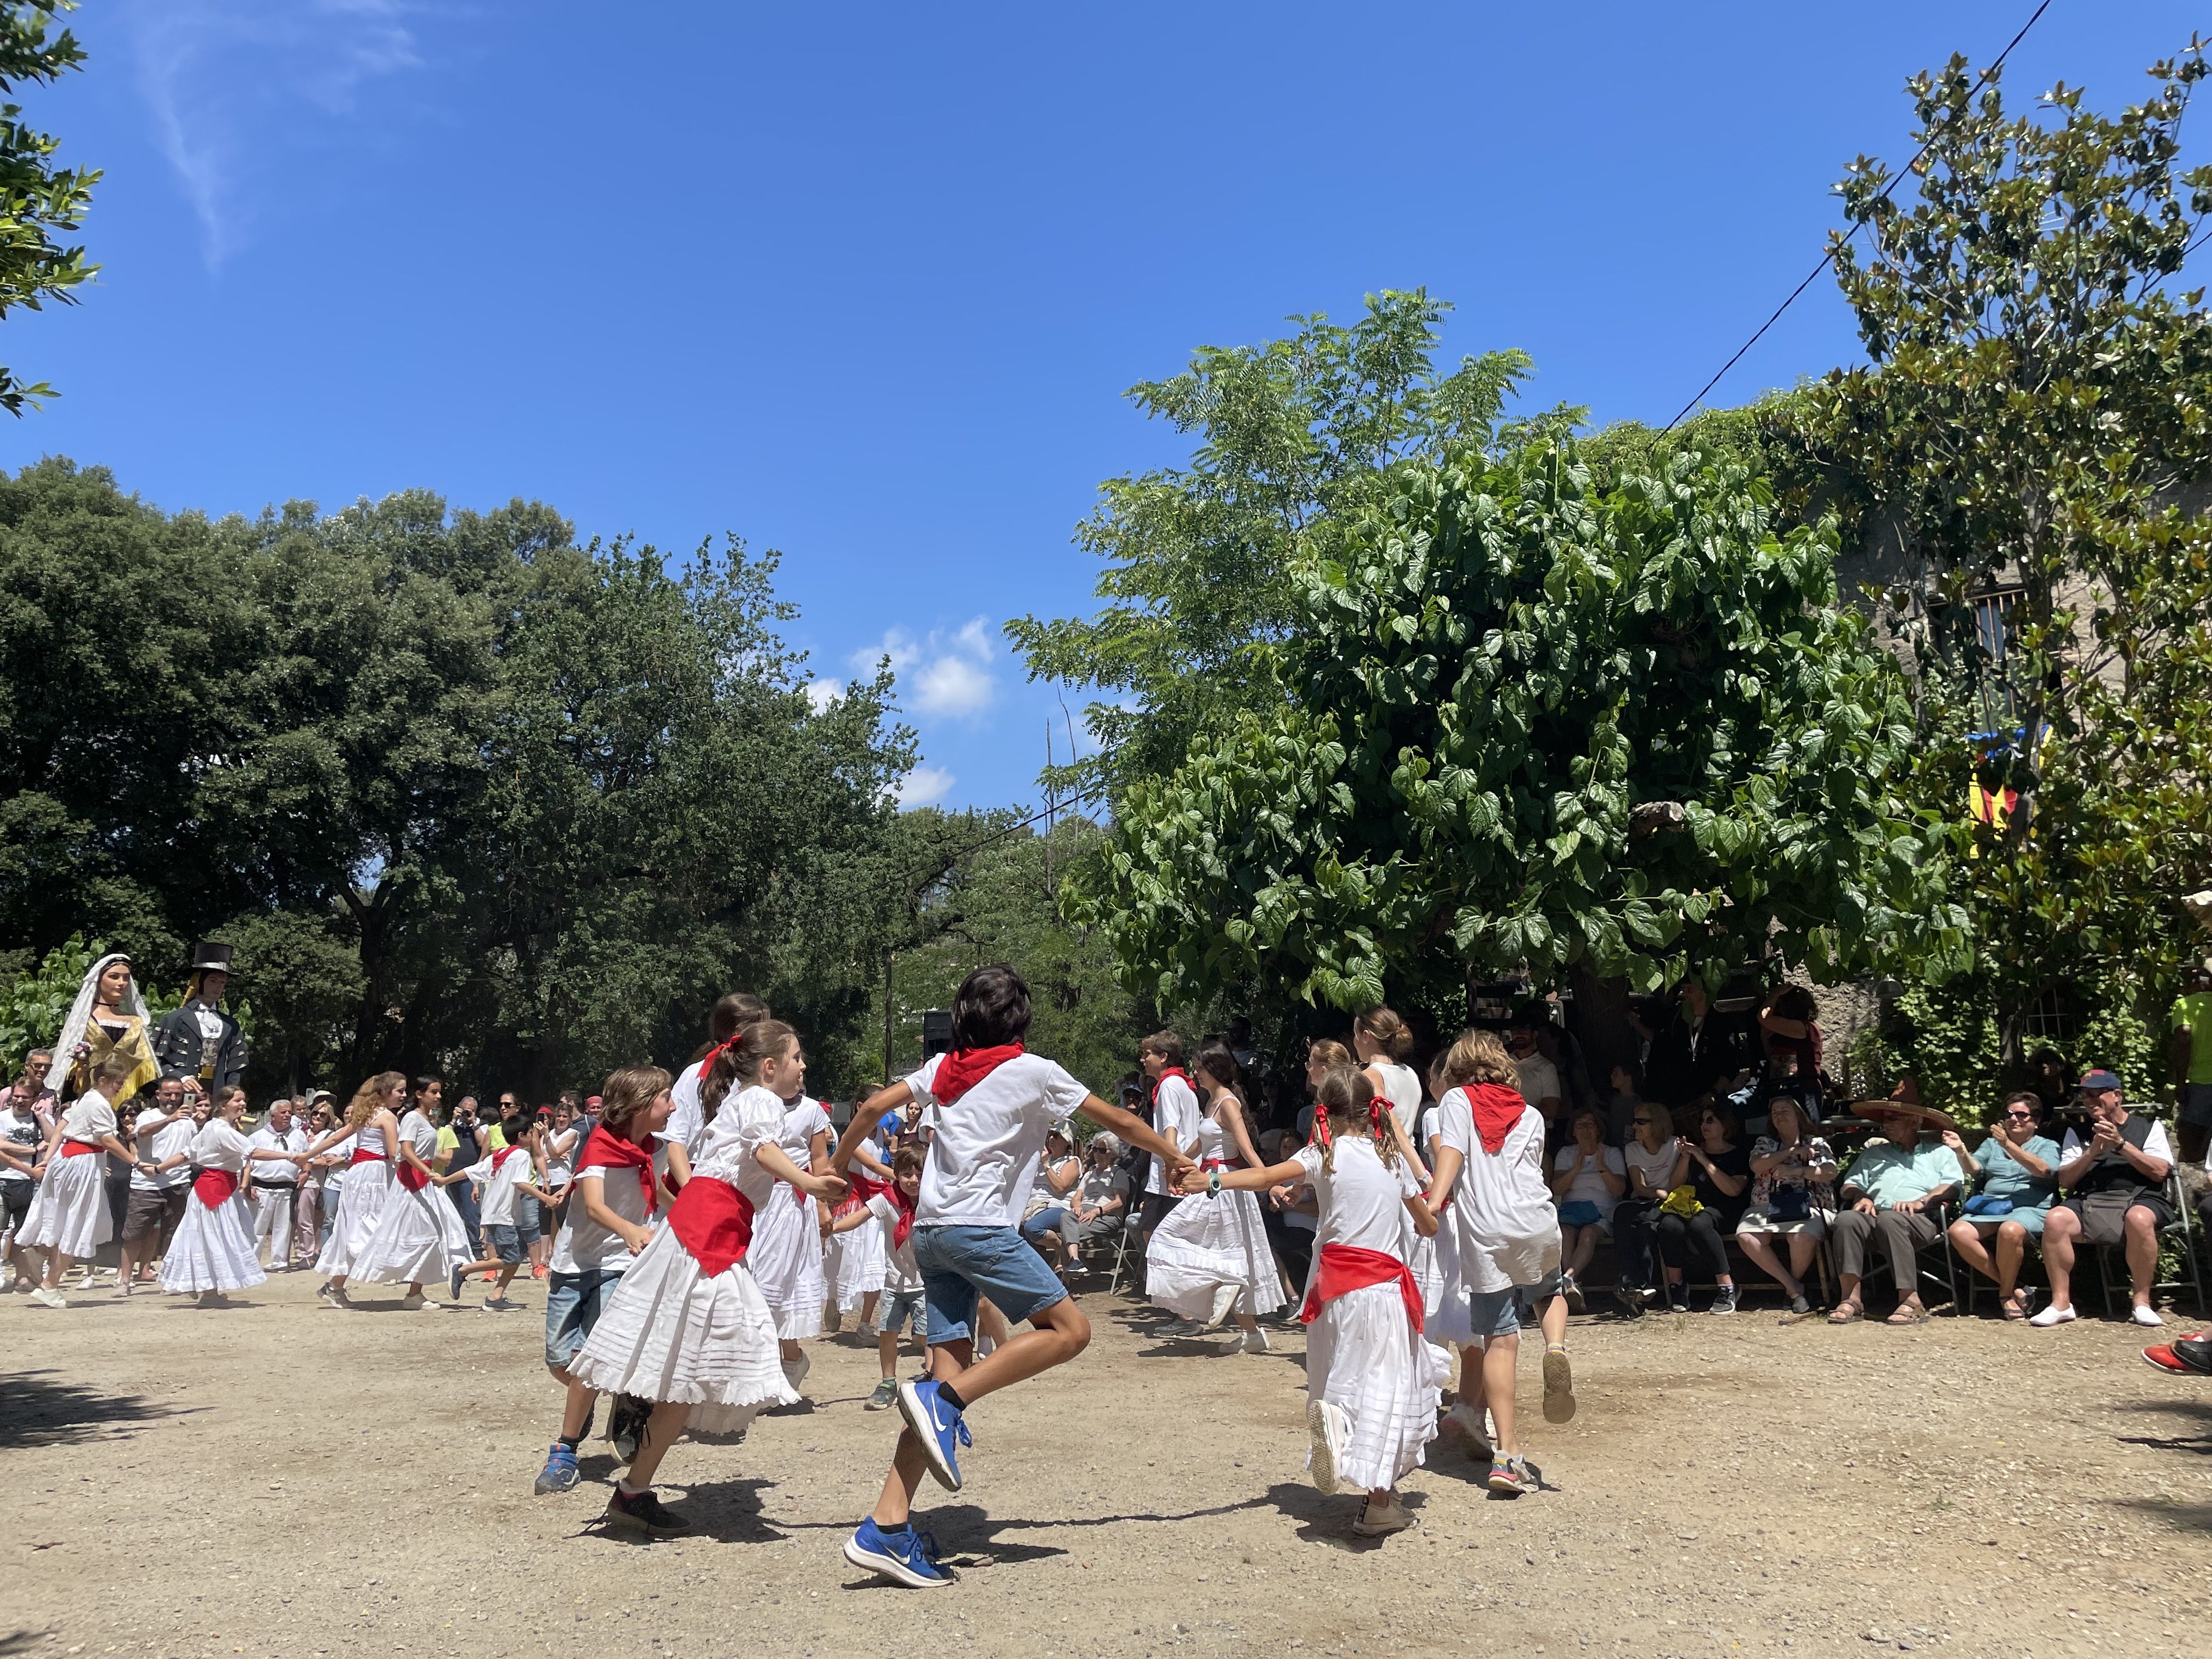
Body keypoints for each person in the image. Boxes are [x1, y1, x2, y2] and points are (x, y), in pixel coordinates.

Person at [829, 963, 1193, 1588]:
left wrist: (838, 1162)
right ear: (1020, 1018)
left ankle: (886, 1527)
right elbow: (1122, 1123)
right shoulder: (1034, 1072)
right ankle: (946, 1400)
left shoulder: (943, 1070)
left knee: (938, 1384)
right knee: (1070, 1330)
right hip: (978, 1231)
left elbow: (872, 1108)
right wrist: (1176, 1156)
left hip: (933, 1235)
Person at [568, 1036, 845, 1537]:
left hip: (702, 1231)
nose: (803, 1067)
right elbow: (762, 1151)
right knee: (728, 1348)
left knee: (692, 1370)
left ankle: (633, 1488)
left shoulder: (742, 1100)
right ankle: (639, 1415)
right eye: (797, 1058)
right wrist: (806, 1183)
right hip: (707, 1238)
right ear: (768, 1067)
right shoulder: (762, 1099)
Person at [1182, 1063, 1445, 1536]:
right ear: (1371, 1110)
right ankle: (1378, 1498)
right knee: (1384, 1386)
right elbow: (1426, 1224)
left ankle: (1338, 1423)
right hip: (1382, 1290)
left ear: (1326, 1108)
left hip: (1330, 1290)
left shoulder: (1323, 1154)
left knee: (1344, 1374)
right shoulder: (1393, 1160)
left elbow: (1266, 1178)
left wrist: (1212, 1181)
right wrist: (1429, 1211)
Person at [1422, 1028, 1563, 1497]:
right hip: (1535, 1221)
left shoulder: (1456, 1101)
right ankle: (1557, 1349)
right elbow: (1531, 1170)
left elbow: (1452, 1153)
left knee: (1500, 1341)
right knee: (1550, 1292)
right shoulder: (1532, 1115)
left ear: (1458, 1067)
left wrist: (1434, 1202)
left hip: (1484, 1232)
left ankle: (1507, 1457)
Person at [534, 1065, 680, 1497]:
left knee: (589, 1358)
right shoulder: (599, 1146)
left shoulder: (659, 1149)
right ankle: (621, 1395)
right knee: (560, 1361)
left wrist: (699, 1216)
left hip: (622, 1266)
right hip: (575, 1264)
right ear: (639, 1105)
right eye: (665, 1099)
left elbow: (669, 1194)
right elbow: (594, 1206)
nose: (673, 1107)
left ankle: (565, 1450)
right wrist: (630, 1228)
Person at [1144, 1039, 1290, 1352]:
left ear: (1215, 1069)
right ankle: (1251, 1333)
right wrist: (1176, 1163)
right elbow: (1200, 1145)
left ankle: (1226, 1285)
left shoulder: (1228, 1104)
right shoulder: (1209, 1102)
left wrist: (1271, 1181)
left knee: (1202, 1244)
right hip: (1206, 1184)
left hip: (1224, 1188)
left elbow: (1247, 1150)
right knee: (1182, 1240)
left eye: (1200, 1068)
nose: (1196, 1073)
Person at [2032, 1069, 2175, 1329]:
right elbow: (2065, 1181)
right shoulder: (2078, 1132)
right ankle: (2061, 1303)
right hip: (2092, 1200)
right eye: (2086, 1095)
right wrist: (2092, 1151)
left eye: (2098, 1094)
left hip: (2142, 1197)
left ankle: (2142, 1302)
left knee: (2139, 1217)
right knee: (2056, 1219)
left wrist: (2121, 1144)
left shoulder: (2148, 1127)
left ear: (2117, 1096)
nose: (2090, 1100)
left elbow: (2159, 1172)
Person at [16, 1053, 140, 1306]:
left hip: (68, 1161)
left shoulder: (87, 1099)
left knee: (68, 1220)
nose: (121, 1087)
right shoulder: (99, 1104)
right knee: (78, 1224)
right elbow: (106, 1140)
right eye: (118, 1082)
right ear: (104, 1080)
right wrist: (134, 1161)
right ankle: (49, 1284)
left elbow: (62, 1126)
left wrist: (49, 1158)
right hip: (81, 1165)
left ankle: (41, 1254)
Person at [1827, 1101, 1962, 1325]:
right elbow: (1849, 1185)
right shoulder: (1874, 1154)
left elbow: (1952, 1186)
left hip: (1919, 1219)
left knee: (1890, 1220)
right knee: (1846, 1219)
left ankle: (1911, 1300)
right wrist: (1861, 1195)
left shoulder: (1939, 1152)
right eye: (1885, 1119)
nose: (1886, 1124)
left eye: (1893, 1118)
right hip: (1874, 1217)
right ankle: (1851, 1299)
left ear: (1915, 1121)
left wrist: (1923, 1200)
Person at [825, 1143, 927, 1409]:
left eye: (920, 1174)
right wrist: (831, 1228)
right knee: (888, 1333)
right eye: (906, 1174)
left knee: (928, 1335)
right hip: (895, 1281)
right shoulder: (888, 1199)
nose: (913, 1181)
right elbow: (860, 1217)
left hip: (927, 1282)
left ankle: (932, 1378)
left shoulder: (934, 1200)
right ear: (896, 1174)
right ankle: (887, 1382)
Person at [749, 1075, 834, 1393]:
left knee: (773, 1286)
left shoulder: (812, 1110)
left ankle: (786, 1362)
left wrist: (823, 1206)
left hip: (789, 1203)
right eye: (795, 1064)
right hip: (752, 1201)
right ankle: (777, 1364)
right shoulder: (753, 1103)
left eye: (803, 1068)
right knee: (750, 1283)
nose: (802, 1071)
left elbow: (819, 1162)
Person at [1942, 1092, 2061, 1319]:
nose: (2014, 1119)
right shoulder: (1991, 1144)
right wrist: (1960, 1150)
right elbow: (1975, 1169)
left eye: (2021, 1115)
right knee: (1958, 1232)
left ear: (2035, 1121)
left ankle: (2005, 1296)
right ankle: (2016, 1287)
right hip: (1993, 1206)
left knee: (2010, 1230)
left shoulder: (2047, 1145)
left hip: (2031, 1207)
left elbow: (2044, 1171)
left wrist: (2008, 1145)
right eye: (2010, 1115)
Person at [302, 1072, 407, 1305]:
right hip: (374, 1176)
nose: (404, 1095)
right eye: (400, 1090)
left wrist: (306, 1155)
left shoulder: (365, 1114)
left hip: (358, 1175)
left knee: (354, 1228)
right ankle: (388, 1271)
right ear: (386, 1092)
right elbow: (394, 1154)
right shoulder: (388, 1118)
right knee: (373, 1226)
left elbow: (333, 1139)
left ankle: (336, 1285)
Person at [155, 1085, 265, 1306]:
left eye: (244, 1101)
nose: (243, 1105)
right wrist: (293, 1156)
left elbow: (187, 1154)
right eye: (238, 1101)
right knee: (212, 1239)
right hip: (213, 1191)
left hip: (217, 1189)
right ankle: (207, 1290)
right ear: (224, 1105)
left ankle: (206, 1288)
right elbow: (253, 1152)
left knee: (206, 1238)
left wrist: (159, 1169)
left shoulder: (212, 1128)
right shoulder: (221, 1130)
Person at [1734, 1093, 1837, 1313]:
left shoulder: (1816, 1143)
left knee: (1801, 1236)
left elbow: (1830, 1171)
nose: (1779, 1116)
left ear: (1798, 1117)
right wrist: (1791, 1152)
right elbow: (1756, 1166)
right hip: (1766, 1208)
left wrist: (1798, 1170)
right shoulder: (1765, 1143)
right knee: (1746, 1236)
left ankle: (1793, 1286)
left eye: (1785, 1111)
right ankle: (1794, 1289)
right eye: (1775, 1113)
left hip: (1811, 1207)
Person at [1652, 1102, 1751, 1313]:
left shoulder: (1738, 1154)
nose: (1704, 1125)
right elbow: (1674, 1186)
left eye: (1710, 1120)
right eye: (1702, 1121)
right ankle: (1677, 1287)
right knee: (1668, 1224)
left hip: (1725, 1210)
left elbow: (1733, 1190)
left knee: (1700, 1223)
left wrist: (1703, 1159)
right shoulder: (1694, 1151)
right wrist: (1686, 1158)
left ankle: (1727, 1287)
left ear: (1725, 1125)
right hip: (1691, 1207)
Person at [450, 1117, 556, 1310]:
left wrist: (444, 1180)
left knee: (516, 1255)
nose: (533, 1137)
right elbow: (521, 1184)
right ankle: (463, 1270)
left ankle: (495, 1297)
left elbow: (470, 1171)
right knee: (511, 1258)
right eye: (531, 1133)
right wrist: (545, 1198)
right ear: (521, 1136)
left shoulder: (499, 1155)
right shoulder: (522, 1156)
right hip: (504, 1216)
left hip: (495, 1214)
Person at [45, 952, 160, 1105]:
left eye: (126, 978)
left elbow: (145, 1066)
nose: (121, 983)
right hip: (82, 1095)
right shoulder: (83, 1020)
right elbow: (66, 1061)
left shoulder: (136, 1023)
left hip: (124, 1099)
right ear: (99, 980)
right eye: (114, 977)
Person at [667, 991, 771, 1160]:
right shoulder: (696, 1074)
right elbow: (674, 1140)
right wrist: (690, 1186)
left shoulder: (763, 1075)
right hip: (697, 1177)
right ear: (739, 1032)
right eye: (765, 1029)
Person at [118, 1076, 197, 1293]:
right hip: (146, 1184)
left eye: (178, 1094)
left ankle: (170, 1280)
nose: (173, 1098)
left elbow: (193, 1151)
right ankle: (125, 1280)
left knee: (173, 1234)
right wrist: (170, 1119)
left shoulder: (189, 1121)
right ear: (158, 1095)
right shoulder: (147, 1116)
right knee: (134, 1234)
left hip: (178, 1184)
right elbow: (141, 1133)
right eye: (168, 1094)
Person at [1135, 1030, 1202, 1276]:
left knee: (1155, 1232)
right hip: (1177, 1170)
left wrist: (1171, 1165)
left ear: (1163, 1057)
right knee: (1161, 1232)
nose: (1143, 1060)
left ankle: (1181, 1300)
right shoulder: (1184, 1085)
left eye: (1147, 1054)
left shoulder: (1170, 1085)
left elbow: (1170, 1127)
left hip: (1169, 1175)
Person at [1548, 1107, 1625, 1307]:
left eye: (1590, 1124)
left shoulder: (1612, 1153)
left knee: (1589, 1234)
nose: (1584, 1129)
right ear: (1573, 1131)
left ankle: (1567, 1278)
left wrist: (1601, 1166)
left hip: (1601, 1211)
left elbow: (1618, 1190)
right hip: (1571, 1211)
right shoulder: (1566, 1153)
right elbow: (1557, 1188)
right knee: (1564, 1231)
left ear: (1599, 1130)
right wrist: (1576, 1168)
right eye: (1579, 1125)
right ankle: (1570, 1283)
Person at [1612, 1102, 1683, 1313]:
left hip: (1669, 1203)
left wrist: (1666, 1194)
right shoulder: (1632, 1148)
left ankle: (1636, 1285)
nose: (1635, 1126)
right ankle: (1635, 1284)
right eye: (1634, 1121)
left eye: (1641, 1122)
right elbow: (1640, 1187)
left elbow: (1677, 1184)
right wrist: (1660, 1193)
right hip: (1646, 1201)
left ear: (1658, 1124)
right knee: (1625, 1214)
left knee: (1646, 1228)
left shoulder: (1674, 1146)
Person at [151, 942, 246, 1096]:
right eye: (213, 981)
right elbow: (155, 1062)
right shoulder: (174, 1019)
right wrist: (181, 1078)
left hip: (216, 1098)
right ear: (198, 981)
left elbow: (235, 1068)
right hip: (179, 1097)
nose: (218, 987)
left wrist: (229, 1097)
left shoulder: (231, 1025)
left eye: (222, 983)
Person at [245, 1098, 309, 1269]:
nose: (288, 1115)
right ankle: (251, 1262)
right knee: (258, 1228)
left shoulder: (299, 1136)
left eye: (289, 1112)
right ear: (273, 1116)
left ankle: (280, 1262)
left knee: (283, 1228)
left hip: (287, 1187)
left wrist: (306, 1172)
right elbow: (247, 1163)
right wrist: (248, 1186)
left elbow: (306, 1157)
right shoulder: (257, 1137)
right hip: (261, 1187)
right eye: (283, 1112)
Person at [2, 1065, 50, 1289]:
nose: (19, 1101)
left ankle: (22, 1277)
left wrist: (41, 1117)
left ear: (35, 1099)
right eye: (16, 1096)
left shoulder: (39, 1118)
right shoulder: (3, 1118)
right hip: (4, 1180)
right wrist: (32, 1150)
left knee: (24, 1234)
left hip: (30, 1184)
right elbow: (1, 1145)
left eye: (24, 1097)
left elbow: (53, 1140)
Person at [1017, 1122, 1082, 1278]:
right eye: (1051, 1134)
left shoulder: (1071, 1161)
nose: (1051, 1138)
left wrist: (1046, 1165)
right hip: (1032, 1206)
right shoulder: (1040, 1160)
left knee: (1033, 1228)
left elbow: (1061, 1188)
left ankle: (1061, 1250)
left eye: (1057, 1136)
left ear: (1067, 1142)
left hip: (1056, 1205)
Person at [435, 1092, 488, 1260]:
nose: (466, 1114)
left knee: (472, 1215)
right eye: (464, 1111)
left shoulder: (481, 1126)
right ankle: (458, 1249)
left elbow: (483, 1143)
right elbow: (443, 1139)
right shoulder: (451, 1126)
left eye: (470, 1111)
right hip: (450, 1176)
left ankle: (476, 1248)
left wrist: (473, 1123)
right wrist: (453, 1120)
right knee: (454, 1215)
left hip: (470, 1177)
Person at [1067, 1131, 1129, 1272]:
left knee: (1067, 1229)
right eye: (1095, 1149)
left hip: (1107, 1216)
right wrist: (1077, 1206)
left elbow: (1120, 1202)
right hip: (1084, 1213)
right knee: (1066, 1217)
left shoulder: (1118, 1173)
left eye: (1102, 1150)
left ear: (1113, 1153)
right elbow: (1076, 1198)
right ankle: (1074, 1263)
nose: (1097, 1154)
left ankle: (1066, 1275)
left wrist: (1096, 1211)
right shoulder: (1089, 1174)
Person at [2169, 967, 2212, 1166]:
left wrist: (2180, 1083)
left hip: (2200, 1082)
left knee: (2191, 1146)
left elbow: (2184, 1039)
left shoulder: (2185, 1005)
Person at [297, 1095, 341, 1260]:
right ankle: (305, 1250)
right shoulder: (302, 1132)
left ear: (328, 1118)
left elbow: (326, 1160)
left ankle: (309, 1253)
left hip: (315, 1180)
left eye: (322, 1115)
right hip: (295, 1177)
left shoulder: (329, 1136)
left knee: (308, 1217)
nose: (317, 1117)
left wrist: (305, 1160)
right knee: (298, 1217)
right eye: (315, 1113)